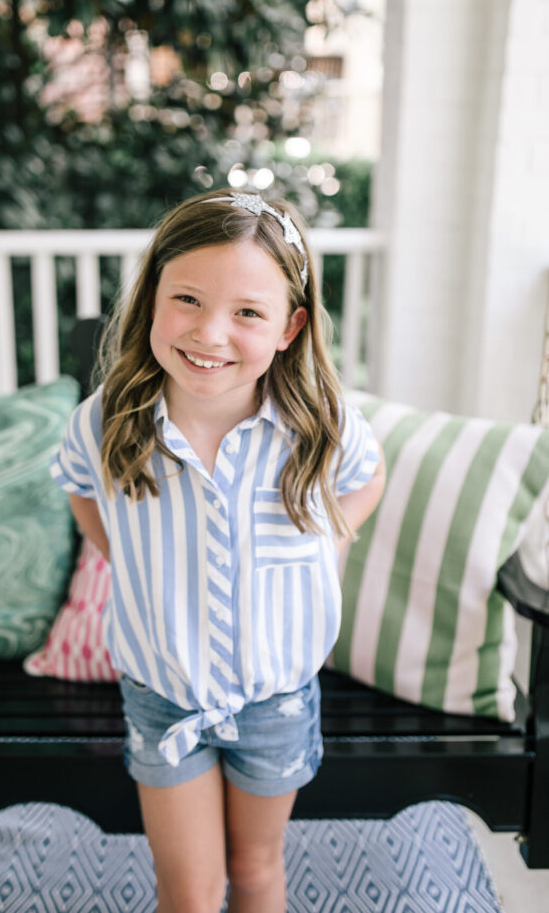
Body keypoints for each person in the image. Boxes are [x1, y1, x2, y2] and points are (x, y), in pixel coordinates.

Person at [51, 189, 386, 913]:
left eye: (246, 312)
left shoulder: (317, 422)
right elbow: (79, 485)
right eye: (188, 300)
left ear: (290, 326)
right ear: (150, 300)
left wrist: (332, 536)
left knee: (256, 870)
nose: (208, 333)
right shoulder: (111, 418)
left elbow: (368, 476)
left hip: (276, 702)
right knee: (190, 891)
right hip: (162, 697)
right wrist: (121, 554)